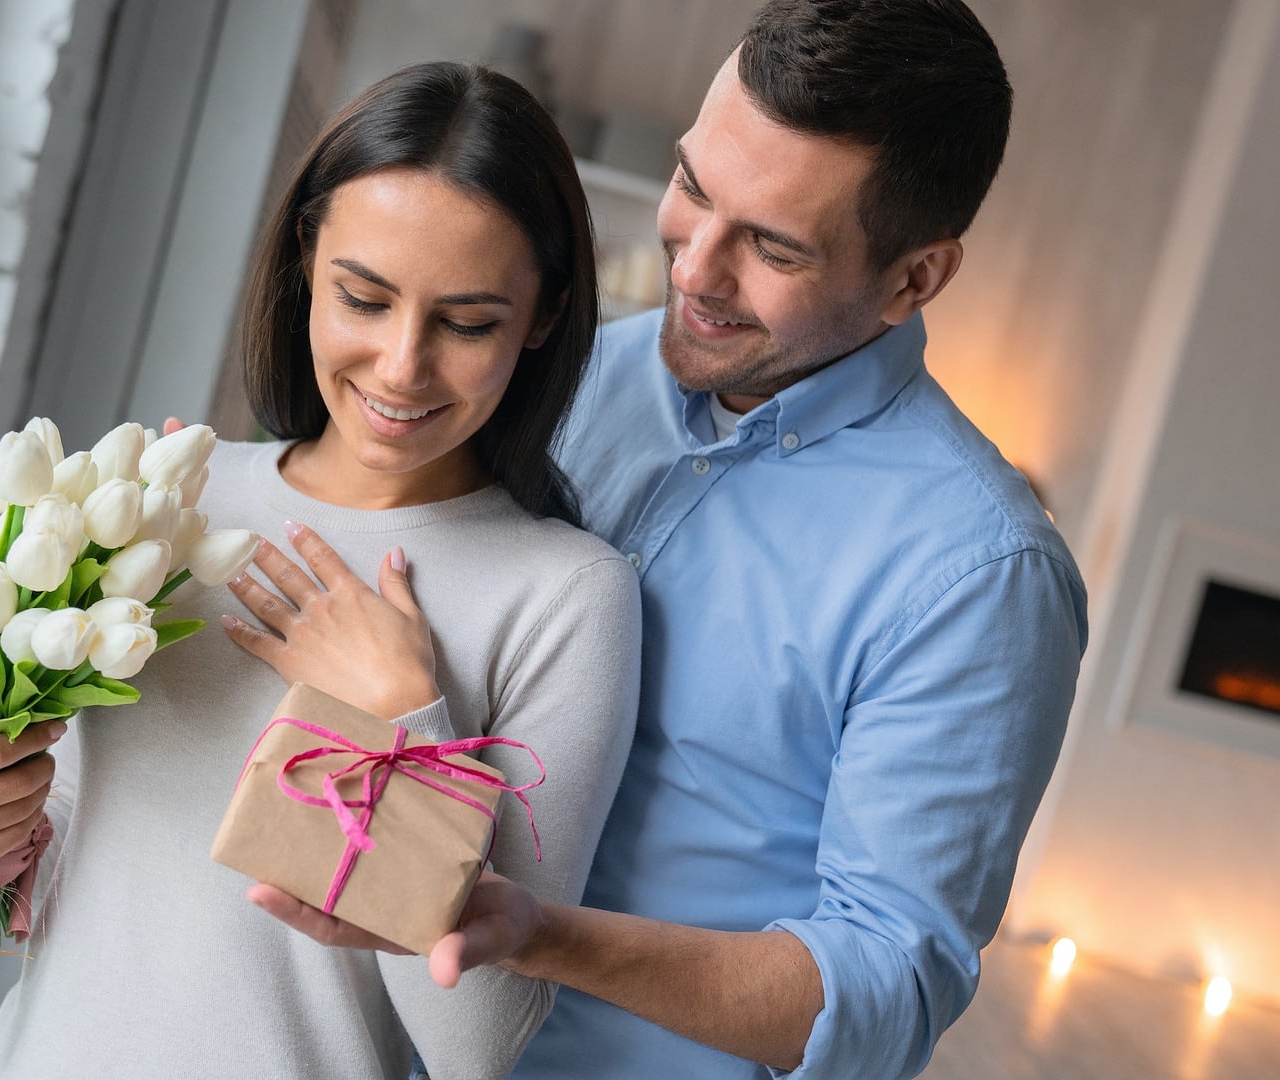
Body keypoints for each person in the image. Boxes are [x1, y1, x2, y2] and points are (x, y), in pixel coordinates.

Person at [241, 2, 1090, 1078]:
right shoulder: (562, 375)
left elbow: (884, 990)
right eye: (693, 188)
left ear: (912, 279)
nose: (694, 269)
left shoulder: (979, 576)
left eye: (772, 245)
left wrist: (538, 933)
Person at [0, 61, 641, 1080]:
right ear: (304, 266)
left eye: (466, 323)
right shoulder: (158, 493)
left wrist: (398, 715)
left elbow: (475, 1041)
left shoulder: (565, 597)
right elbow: (47, 892)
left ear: (541, 318)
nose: (402, 365)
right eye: (362, 298)